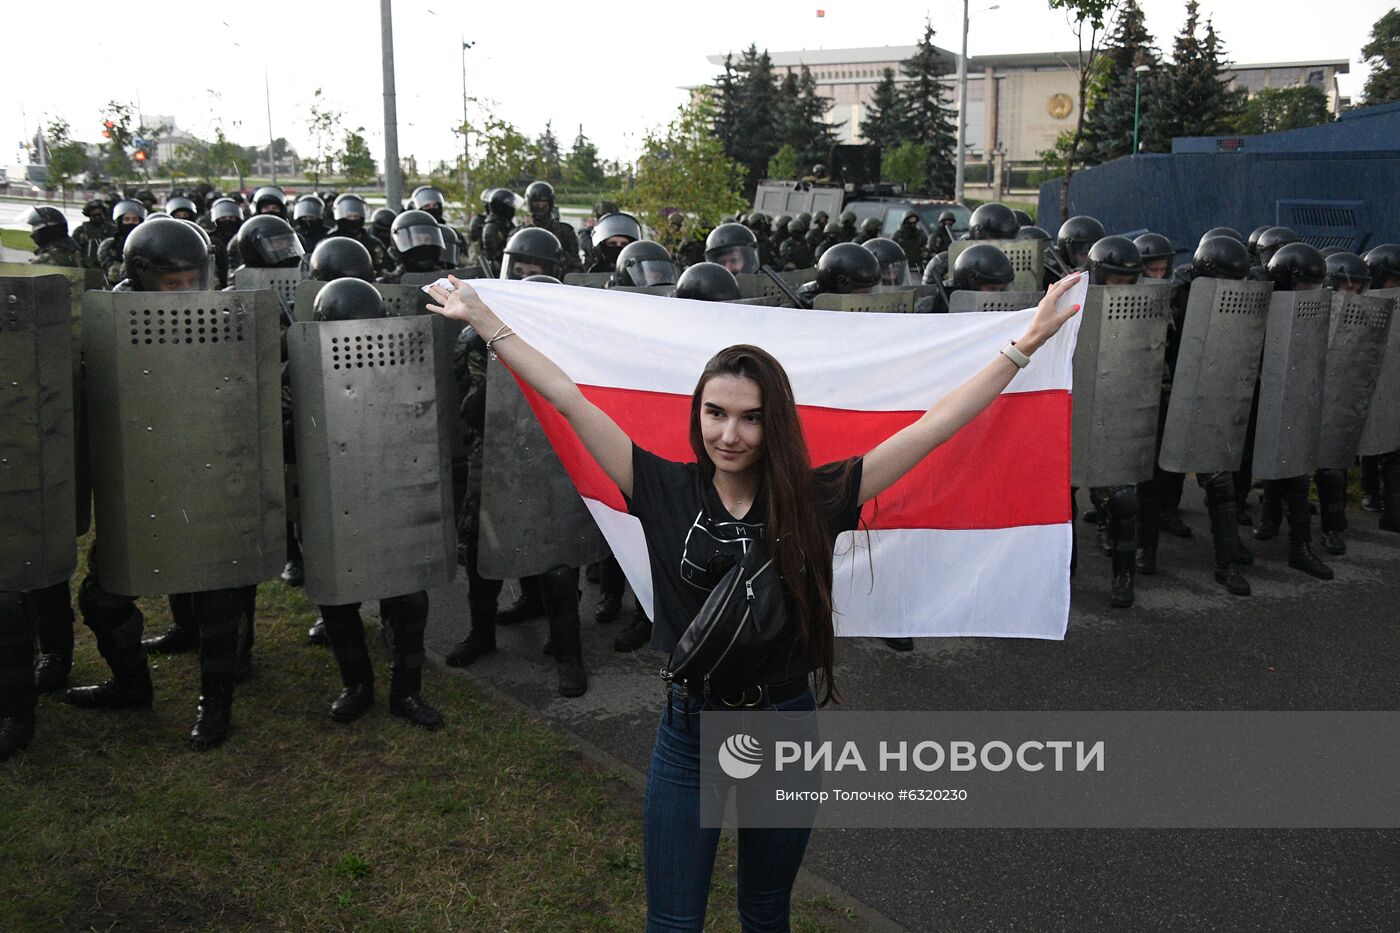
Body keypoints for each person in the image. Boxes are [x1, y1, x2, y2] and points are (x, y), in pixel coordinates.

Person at [424, 269, 1084, 932]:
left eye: (749, 417)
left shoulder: (818, 496)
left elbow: (932, 429)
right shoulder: (658, 485)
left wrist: (1024, 343)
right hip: (687, 733)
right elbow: (567, 396)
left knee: (766, 911)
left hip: (783, 726)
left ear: (775, 423)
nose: (729, 433)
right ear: (697, 414)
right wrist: (484, 319)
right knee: (674, 921)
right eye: (715, 412)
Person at [70, 218, 255, 751]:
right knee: (103, 596)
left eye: (191, 280)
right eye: (172, 284)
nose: (184, 292)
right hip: (138, 475)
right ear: (143, 277)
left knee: (217, 596)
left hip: (205, 470)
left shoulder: (221, 314)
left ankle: (215, 703)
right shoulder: (108, 319)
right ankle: (131, 685)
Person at [301, 279, 445, 729]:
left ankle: (407, 690)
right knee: (338, 601)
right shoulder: (301, 368)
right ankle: (357, 684)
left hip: (391, 491)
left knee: (409, 599)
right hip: (330, 496)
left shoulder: (404, 361)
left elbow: (424, 423)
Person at [1252, 242, 1333, 580]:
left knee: (1295, 474)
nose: (1306, 294)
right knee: (1232, 477)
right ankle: (1230, 550)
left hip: (1289, 394)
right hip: (1253, 399)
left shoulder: (1313, 307)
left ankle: (1300, 547)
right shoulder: (1254, 302)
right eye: (1301, 287)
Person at [74, 198, 116, 268]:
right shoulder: (81, 231)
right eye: (94, 212)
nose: (97, 214)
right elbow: (76, 252)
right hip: (87, 269)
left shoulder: (112, 229)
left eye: (99, 212)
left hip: (108, 268)